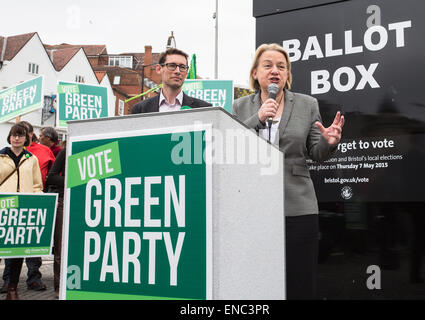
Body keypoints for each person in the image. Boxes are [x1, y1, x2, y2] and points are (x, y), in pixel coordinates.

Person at [232, 43, 345, 299]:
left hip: (298, 207)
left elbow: (316, 152)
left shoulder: (307, 104)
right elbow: (232, 148)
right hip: (253, 209)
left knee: (300, 283)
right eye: (268, 65)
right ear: (255, 73)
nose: (275, 71)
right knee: (258, 283)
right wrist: (257, 120)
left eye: (281, 67)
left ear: (287, 75)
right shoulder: (239, 107)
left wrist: (329, 142)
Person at [1, 121, 54, 292]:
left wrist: (38, 203)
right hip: (5, 206)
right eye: (14, 135)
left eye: (20, 135)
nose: (17, 138)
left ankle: (12, 287)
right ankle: (7, 282)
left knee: (21, 247)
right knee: (5, 245)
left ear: (26, 139)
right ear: (9, 137)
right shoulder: (1, 157)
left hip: (25, 208)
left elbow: (37, 185)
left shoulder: (32, 159)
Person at [131, 48, 211, 114]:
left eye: (182, 67)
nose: (177, 71)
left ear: (186, 73)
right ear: (159, 69)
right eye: (172, 66)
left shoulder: (204, 109)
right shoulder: (140, 110)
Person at [46, 147, 66, 298]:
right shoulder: (66, 151)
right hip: (64, 202)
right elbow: (51, 177)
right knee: (60, 247)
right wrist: (75, 178)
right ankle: (59, 286)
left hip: (89, 203)